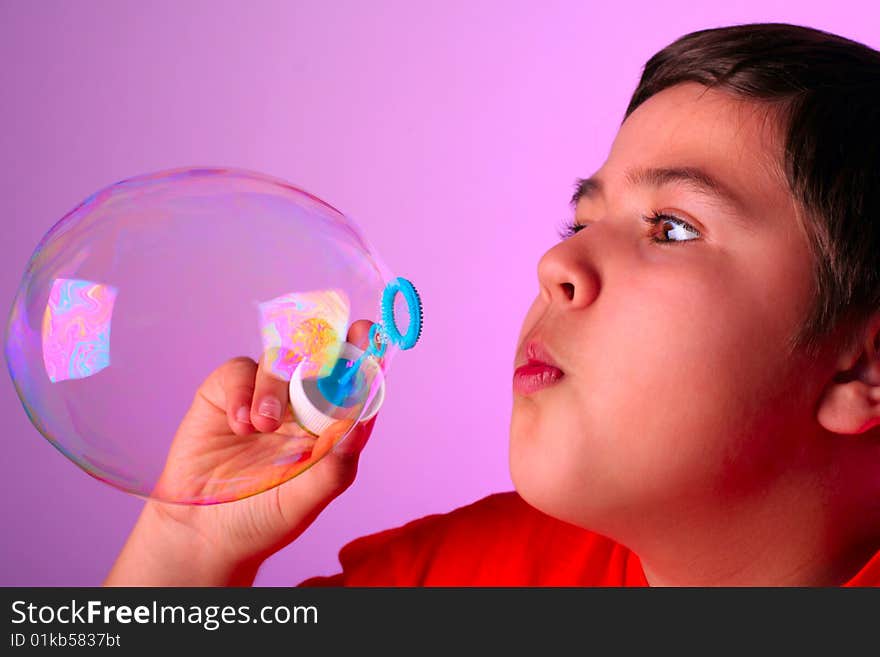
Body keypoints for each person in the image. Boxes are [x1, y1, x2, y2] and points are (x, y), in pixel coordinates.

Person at [105, 22, 880, 587]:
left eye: (671, 227)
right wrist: (189, 546)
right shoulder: (468, 577)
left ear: (864, 364)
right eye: (579, 220)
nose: (557, 262)